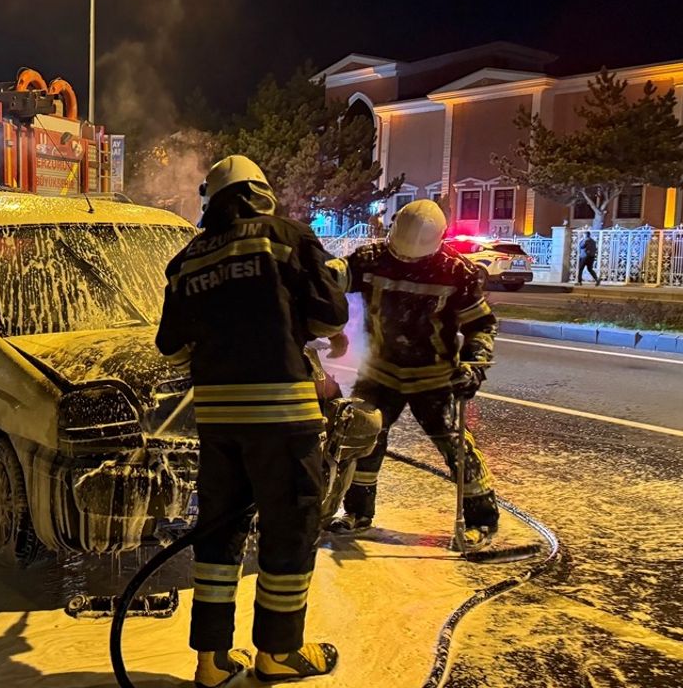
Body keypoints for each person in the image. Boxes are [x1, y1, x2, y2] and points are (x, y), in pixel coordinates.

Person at [156, 155, 350, 687]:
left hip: (218, 423)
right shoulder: (288, 238)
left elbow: (170, 348)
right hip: (283, 419)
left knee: (219, 536)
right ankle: (279, 653)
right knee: (288, 529)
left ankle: (212, 662)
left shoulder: (187, 259)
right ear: (260, 193)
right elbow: (330, 316)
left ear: (211, 201)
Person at [328, 200, 501, 549]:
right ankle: (357, 513)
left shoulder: (457, 273)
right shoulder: (371, 259)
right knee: (363, 440)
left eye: (413, 258)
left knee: (456, 447)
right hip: (381, 371)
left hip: (435, 377)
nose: (405, 262)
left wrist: (474, 364)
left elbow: (481, 324)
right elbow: (330, 280)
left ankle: (482, 519)